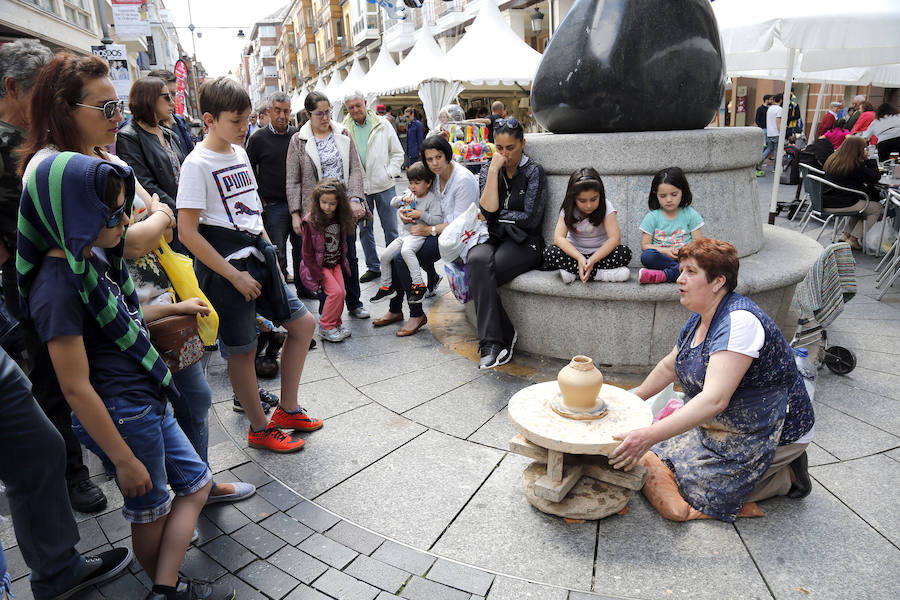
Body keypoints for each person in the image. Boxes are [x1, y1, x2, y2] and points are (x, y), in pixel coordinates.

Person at [18, 154, 230, 598]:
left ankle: (163, 586)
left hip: (142, 398)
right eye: (112, 213)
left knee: (196, 483)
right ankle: (167, 588)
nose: (122, 223)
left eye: (123, 211)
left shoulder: (87, 258)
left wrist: (173, 307)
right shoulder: (57, 286)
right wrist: (123, 460)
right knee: (151, 508)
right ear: (73, 212)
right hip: (124, 410)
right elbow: (74, 387)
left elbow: (123, 316)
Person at [17, 51, 179, 514]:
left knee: (177, 407)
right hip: (107, 349)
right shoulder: (57, 170)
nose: (118, 118)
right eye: (107, 109)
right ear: (65, 110)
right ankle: (175, 491)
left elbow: (131, 227)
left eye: (120, 107)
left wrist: (151, 221)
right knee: (146, 486)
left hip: (122, 313)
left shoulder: (97, 154)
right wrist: (159, 217)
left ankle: (192, 483)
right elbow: (127, 238)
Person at [610, 238, 814, 522]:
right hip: (724, 425)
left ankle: (787, 476)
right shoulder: (700, 317)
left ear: (718, 282)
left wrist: (647, 435)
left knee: (695, 491)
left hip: (768, 430)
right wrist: (631, 400)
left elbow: (715, 399)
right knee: (661, 457)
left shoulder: (740, 322)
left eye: (691, 272)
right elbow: (671, 365)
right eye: (681, 271)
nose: (680, 279)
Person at [177, 76, 320, 453]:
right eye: (236, 121)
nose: (244, 127)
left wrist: (271, 253)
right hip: (227, 269)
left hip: (259, 257)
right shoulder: (196, 163)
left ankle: (287, 409)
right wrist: (233, 275)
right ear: (209, 118)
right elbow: (188, 233)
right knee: (242, 349)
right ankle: (259, 427)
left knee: (303, 324)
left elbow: (251, 209)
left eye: (246, 119)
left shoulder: (239, 152)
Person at [373, 135, 478, 336]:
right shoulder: (432, 174)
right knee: (393, 255)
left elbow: (461, 225)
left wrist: (428, 230)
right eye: (429, 159)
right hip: (432, 230)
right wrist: (403, 213)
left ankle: (416, 314)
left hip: (455, 237)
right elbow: (410, 195)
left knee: (401, 258)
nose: (435, 163)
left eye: (438, 157)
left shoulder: (463, 180)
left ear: (448, 154)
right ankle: (395, 310)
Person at [286, 91, 370, 321]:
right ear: (308, 114)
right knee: (323, 259)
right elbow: (292, 180)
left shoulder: (342, 133)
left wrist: (354, 199)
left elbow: (355, 169)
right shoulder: (298, 140)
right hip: (316, 212)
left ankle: (354, 302)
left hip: (343, 210)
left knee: (349, 256)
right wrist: (295, 213)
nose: (325, 118)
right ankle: (327, 311)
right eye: (319, 113)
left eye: (328, 112)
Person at [470, 118, 547, 369]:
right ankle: (497, 339)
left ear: (523, 144)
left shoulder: (533, 171)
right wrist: (493, 171)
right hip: (494, 237)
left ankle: (494, 342)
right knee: (476, 260)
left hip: (525, 243)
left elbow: (530, 218)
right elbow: (486, 210)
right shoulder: (488, 169)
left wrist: (495, 216)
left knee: (487, 271)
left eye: (510, 148)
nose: (504, 154)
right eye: (499, 148)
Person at [342, 91, 405, 283]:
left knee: (391, 229)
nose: (355, 110)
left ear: (365, 104)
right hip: (360, 188)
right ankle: (373, 267)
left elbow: (397, 153)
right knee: (365, 230)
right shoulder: (343, 129)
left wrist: (390, 172)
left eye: (358, 105)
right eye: (351, 107)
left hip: (384, 184)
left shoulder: (383, 124)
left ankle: (395, 264)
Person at [541, 167, 632, 284]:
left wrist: (593, 259)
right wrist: (579, 258)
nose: (589, 205)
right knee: (550, 252)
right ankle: (601, 274)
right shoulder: (568, 209)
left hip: (599, 254)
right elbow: (558, 238)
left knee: (624, 253)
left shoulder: (606, 206)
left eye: (594, 199)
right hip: (574, 253)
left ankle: (574, 272)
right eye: (582, 201)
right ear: (573, 198)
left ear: (600, 195)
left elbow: (615, 239)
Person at [370, 161, 443, 303]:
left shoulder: (431, 199)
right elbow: (392, 203)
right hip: (405, 235)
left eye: (417, 183)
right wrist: (402, 199)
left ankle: (419, 284)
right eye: (410, 182)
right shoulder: (410, 193)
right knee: (385, 256)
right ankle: (386, 287)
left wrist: (420, 214)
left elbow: (437, 220)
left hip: (418, 235)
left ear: (428, 183)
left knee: (406, 252)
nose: (412, 186)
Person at [246, 91, 298, 282]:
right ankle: (282, 288)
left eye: (286, 111)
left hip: (298, 205)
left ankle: (304, 287)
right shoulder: (258, 138)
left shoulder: (297, 135)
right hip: (274, 206)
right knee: (277, 251)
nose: (282, 116)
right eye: (277, 111)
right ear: (269, 111)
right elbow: (249, 169)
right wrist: (259, 197)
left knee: (301, 249)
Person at [115, 77, 184, 215]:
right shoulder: (128, 136)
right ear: (149, 99)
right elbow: (143, 184)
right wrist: (178, 212)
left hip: (184, 213)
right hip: (163, 218)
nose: (171, 102)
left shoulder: (169, 135)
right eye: (166, 97)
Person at [300, 179, 353, 343]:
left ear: (339, 203)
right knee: (335, 293)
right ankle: (326, 327)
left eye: (332, 203)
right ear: (317, 200)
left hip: (335, 263)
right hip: (320, 266)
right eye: (324, 202)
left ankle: (336, 324)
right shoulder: (311, 221)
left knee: (342, 293)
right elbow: (307, 252)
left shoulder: (340, 217)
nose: (327, 207)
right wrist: (316, 274)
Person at [639, 167, 705, 284]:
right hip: (662, 259)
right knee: (647, 256)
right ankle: (681, 271)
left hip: (685, 257)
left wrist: (684, 251)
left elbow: (699, 243)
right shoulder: (652, 217)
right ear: (656, 195)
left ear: (682, 192)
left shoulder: (690, 214)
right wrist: (665, 251)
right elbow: (645, 245)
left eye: (674, 194)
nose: (669, 200)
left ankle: (663, 275)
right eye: (663, 196)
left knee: (700, 260)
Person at [821, 135, 883, 251]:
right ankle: (853, 240)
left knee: (863, 206)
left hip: (827, 200)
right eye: (864, 149)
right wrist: (870, 160)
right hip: (842, 203)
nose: (865, 151)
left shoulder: (833, 159)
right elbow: (875, 177)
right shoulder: (854, 165)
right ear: (858, 150)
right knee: (877, 208)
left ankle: (845, 236)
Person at [147, 69, 195, 156]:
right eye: (167, 95)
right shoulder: (132, 133)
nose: (172, 101)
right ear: (152, 96)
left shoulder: (179, 122)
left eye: (174, 94)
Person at [760, 93, 783, 170]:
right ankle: (776, 168)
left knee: (769, 149)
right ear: (781, 100)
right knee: (777, 151)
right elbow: (778, 122)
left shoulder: (770, 108)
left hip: (769, 133)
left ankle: (759, 162)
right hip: (776, 133)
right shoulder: (779, 109)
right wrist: (782, 133)